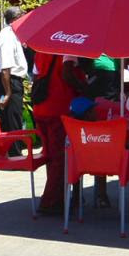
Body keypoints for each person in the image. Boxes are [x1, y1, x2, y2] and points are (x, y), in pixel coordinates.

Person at [32, 52, 88, 215]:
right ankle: (51, 201)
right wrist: (83, 87)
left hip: (41, 108)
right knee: (60, 158)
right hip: (59, 107)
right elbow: (67, 73)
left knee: (51, 156)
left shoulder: (41, 50)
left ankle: (56, 196)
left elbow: (36, 76)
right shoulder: (68, 49)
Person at [0, 6, 29, 135]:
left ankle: (12, 152)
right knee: (13, 122)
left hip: (11, 81)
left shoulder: (14, 35)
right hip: (9, 83)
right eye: (21, 16)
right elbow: (5, 69)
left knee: (11, 120)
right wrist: (8, 93)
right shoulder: (7, 37)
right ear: (14, 20)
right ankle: (14, 153)